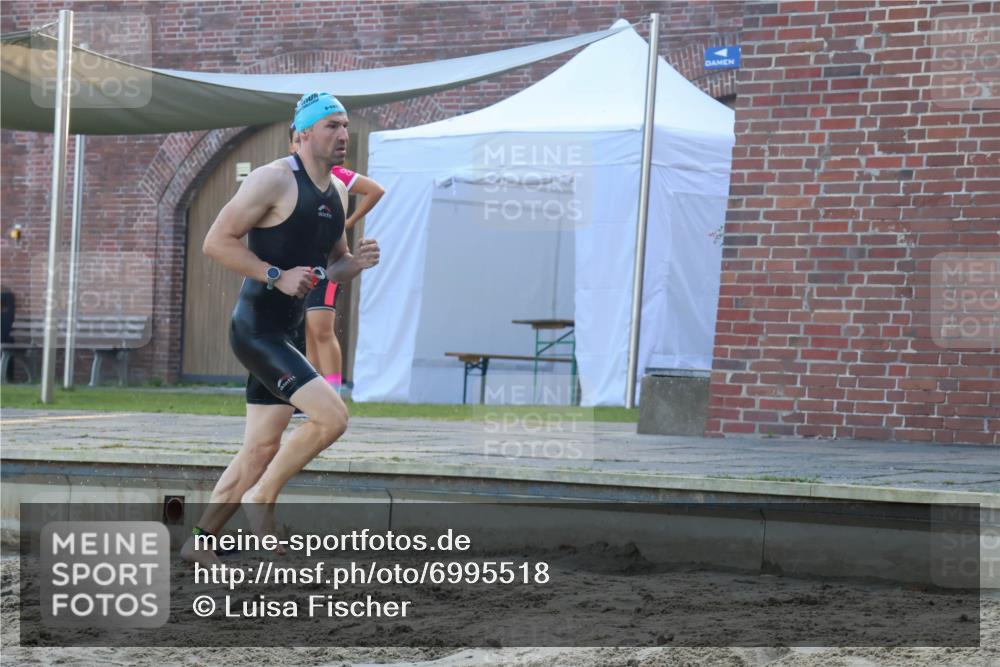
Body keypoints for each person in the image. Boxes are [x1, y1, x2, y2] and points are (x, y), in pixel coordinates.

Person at [181, 92, 380, 565]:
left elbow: (332, 268)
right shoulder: (272, 180)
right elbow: (215, 243)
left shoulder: (336, 192)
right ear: (303, 133)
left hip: (285, 333)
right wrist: (276, 274)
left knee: (259, 448)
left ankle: (198, 543)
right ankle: (262, 497)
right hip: (257, 331)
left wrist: (358, 263)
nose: (343, 135)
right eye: (332, 125)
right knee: (332, 417)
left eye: (346, 126)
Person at [303, 156, 385, 396]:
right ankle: (313, 393)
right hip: (303, 267)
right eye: (296, 141)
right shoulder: (290, 174)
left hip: (329, 264)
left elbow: (375, 190)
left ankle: (334, 392)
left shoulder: (335, 174)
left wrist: (347, 222)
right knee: (307, 330)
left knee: (321, 329)